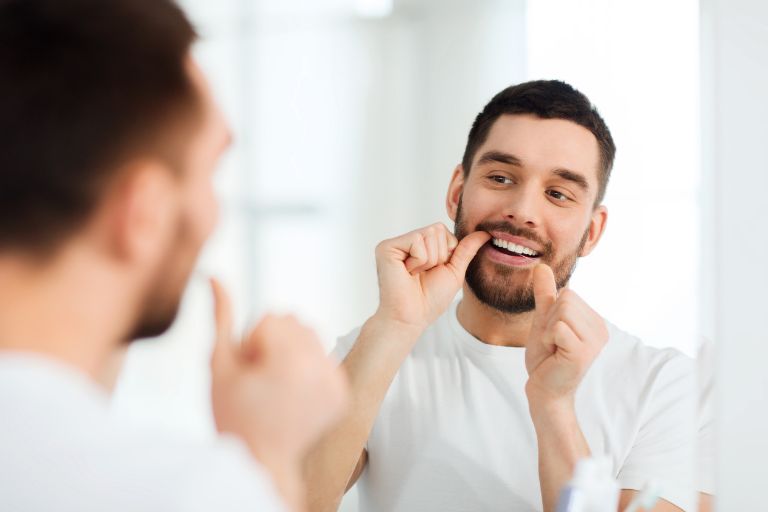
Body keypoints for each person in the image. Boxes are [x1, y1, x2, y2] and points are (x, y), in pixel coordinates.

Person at [0, 1, 347, 511]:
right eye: (209, 171)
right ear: (144, 213)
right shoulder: (178, 494)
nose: (213, 212)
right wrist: (268, 463)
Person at [305, 80, 707, 512]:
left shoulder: (665, 386)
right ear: (457, 192)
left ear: (591, 232)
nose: (523, 211)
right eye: (500, 178)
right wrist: (395, 327)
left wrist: (555, 408)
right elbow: (294, 501)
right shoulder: (370, 354)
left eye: (558, 194)